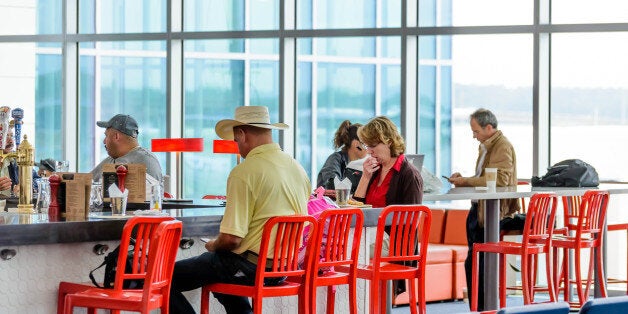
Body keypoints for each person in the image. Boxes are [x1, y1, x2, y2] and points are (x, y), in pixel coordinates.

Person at [169, 106, 311, 314]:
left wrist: (213, 244)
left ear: (241, 134)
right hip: (283, 269)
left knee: (162, 278)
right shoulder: (297, 168)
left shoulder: (244, 172)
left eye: (236, 141)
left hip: (251, 268)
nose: (238, 148)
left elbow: (231, 239)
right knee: (223, 273)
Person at [445, 108, 519, 311]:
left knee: (478, 258)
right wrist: (465, 180)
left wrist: (465, 182)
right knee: (475, 258)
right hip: (480, 209)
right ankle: (480, 306)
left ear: (488, 128)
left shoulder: (501, 146)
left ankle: (483, 307)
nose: (473, 136)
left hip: (492, 213)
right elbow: (487, 178)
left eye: (476, 131)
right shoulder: (487, 146)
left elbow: (499, 179)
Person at [351, 116, 424, 299]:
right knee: (343, 247)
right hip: (372, 235)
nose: (369, 152)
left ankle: (362, 304)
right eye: (367, 146)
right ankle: (361, 305)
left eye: (373, 146)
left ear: (388, 142)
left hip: (395, 242)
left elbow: (409, 222)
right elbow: (357, 208)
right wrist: (365, 177)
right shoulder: (375, 171)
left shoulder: (409, 175)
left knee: (350, 250)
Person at [90, 114, 163, 184]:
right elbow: (86, 183)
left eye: (106, 136)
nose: (104, 141)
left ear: (116, 136)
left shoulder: (145, 161)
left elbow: (154, 194)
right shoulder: (112, 159)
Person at [316, 120, 368, 192]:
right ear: (357, 145)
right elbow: (333, 186)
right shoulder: (335, 159)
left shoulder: (360, 165)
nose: (369, 149)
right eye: (366, 145)